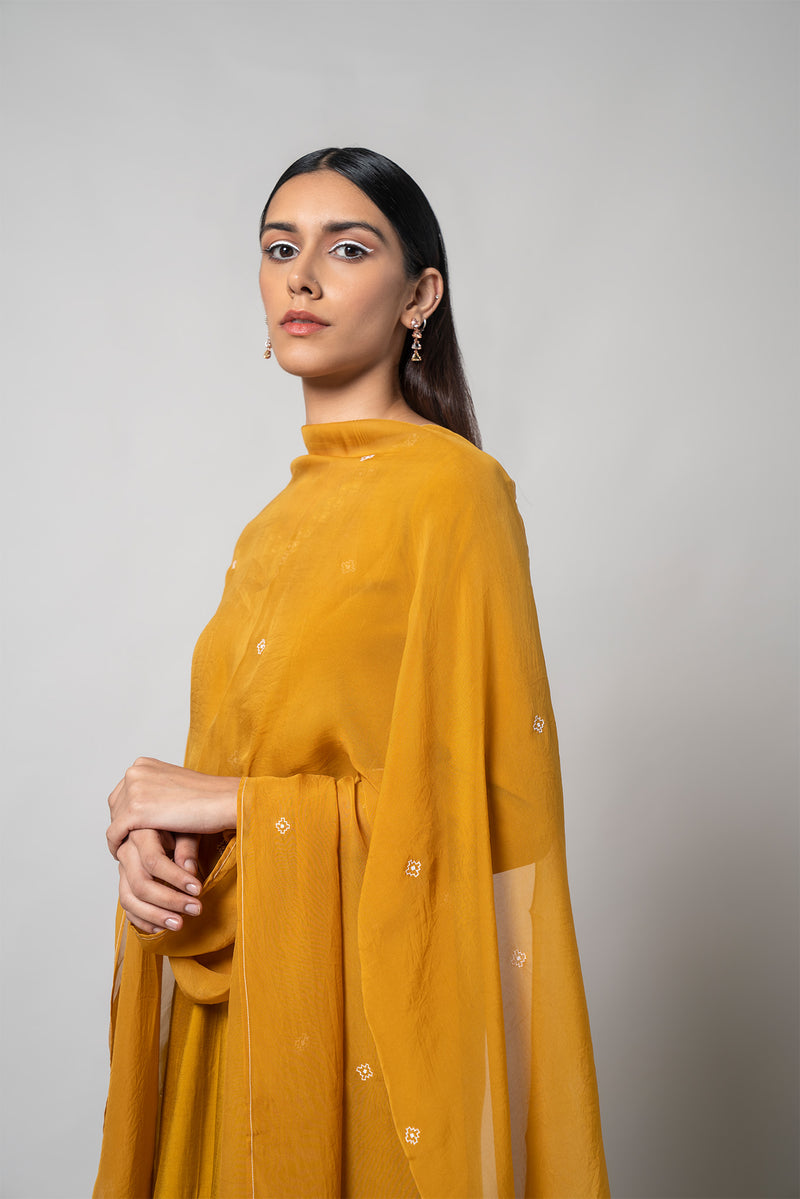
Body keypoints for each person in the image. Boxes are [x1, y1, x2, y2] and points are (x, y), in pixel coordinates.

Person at [94, 147, 610, 1199]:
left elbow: (473, 825)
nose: (303, 276)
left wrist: (227, 800)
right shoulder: (267, 529)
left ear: (419, 294)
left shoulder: (455, 497)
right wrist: (159, 845)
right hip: (242, 999)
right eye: (280, 248)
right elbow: (234, 783)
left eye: (348, 248)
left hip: (368, 1025)